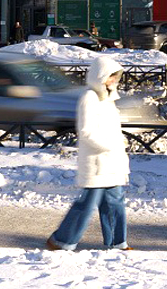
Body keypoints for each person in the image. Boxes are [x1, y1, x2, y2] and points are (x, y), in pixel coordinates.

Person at [47, 56, 131, 251]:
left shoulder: (108, 99)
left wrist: (119, 142)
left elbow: (111, 129)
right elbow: (85, 131)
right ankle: (60, 241)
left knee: (115, 202)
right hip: (96, 163)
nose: (113, 80)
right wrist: (109, 146)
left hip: (111, 162)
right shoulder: (89, 98)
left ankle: (118, 243)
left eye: (115, 76)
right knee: (86, 205)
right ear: (99, 76)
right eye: (110, 76)